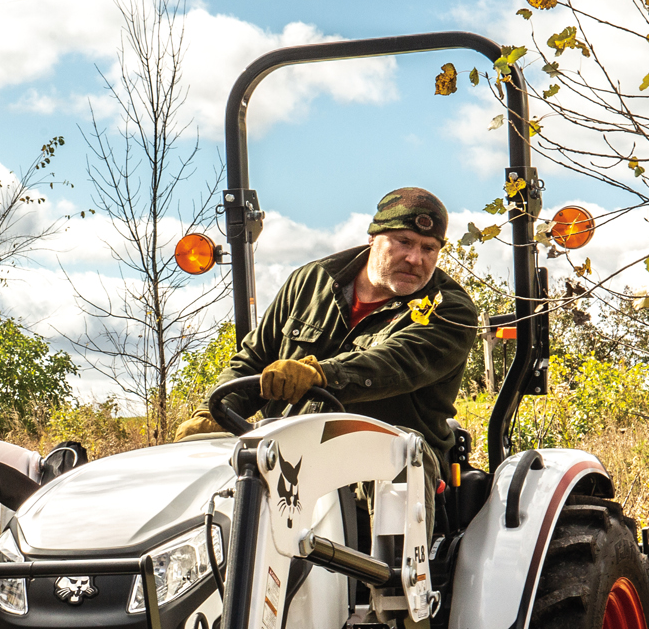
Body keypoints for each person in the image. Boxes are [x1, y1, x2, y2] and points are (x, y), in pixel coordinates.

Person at [174, 186, 478, 492]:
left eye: (429, 249)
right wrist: (215, 414)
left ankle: (391, 541)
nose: (415, 258)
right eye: (404, 242)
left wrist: (318, 374)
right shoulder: (312, 281)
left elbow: (393, 362)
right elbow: (255, 360)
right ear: (373, 237)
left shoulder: (449, 309)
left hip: (386, 463)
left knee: (397, 469)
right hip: (287, 456)